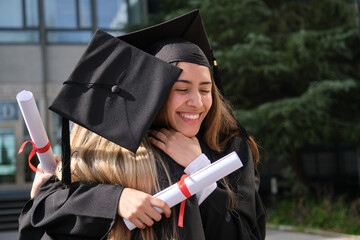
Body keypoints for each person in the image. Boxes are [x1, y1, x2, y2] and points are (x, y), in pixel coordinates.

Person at [18, 9, 266, 240]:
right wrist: (116, 199)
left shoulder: (228, 145)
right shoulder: (118, 146)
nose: (197, 102)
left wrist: (199, 167)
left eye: (206, 89)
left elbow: (246, 234)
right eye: (181, 89)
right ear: (154, 92)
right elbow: (39, 213)